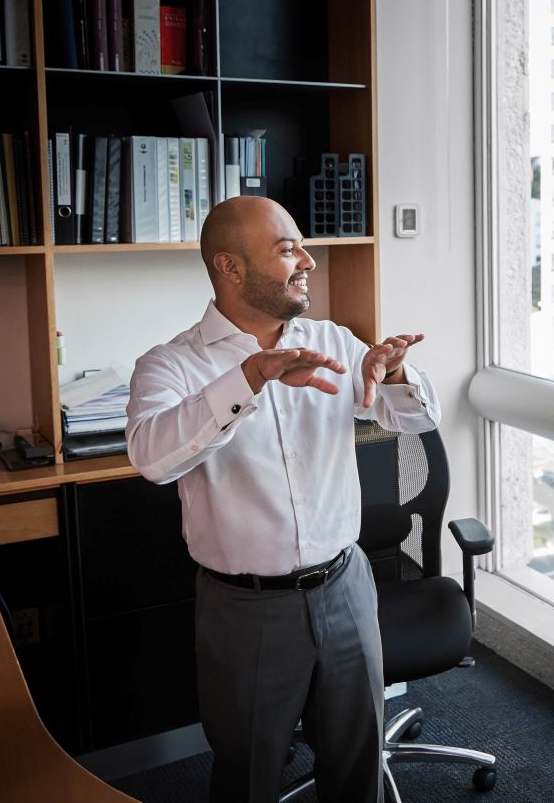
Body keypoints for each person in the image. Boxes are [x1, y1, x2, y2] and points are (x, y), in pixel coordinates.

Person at [126, 196, 439, 803]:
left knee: (358, 765)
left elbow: (415, 420)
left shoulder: (332, 340)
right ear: (230, 266)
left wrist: (396, 375)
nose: (309, 262)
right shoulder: (171, 365)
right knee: (249, 775)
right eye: (287, 249)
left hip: (346, 587)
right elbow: (153, 459)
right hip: (245, 609)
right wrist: (252, 376)